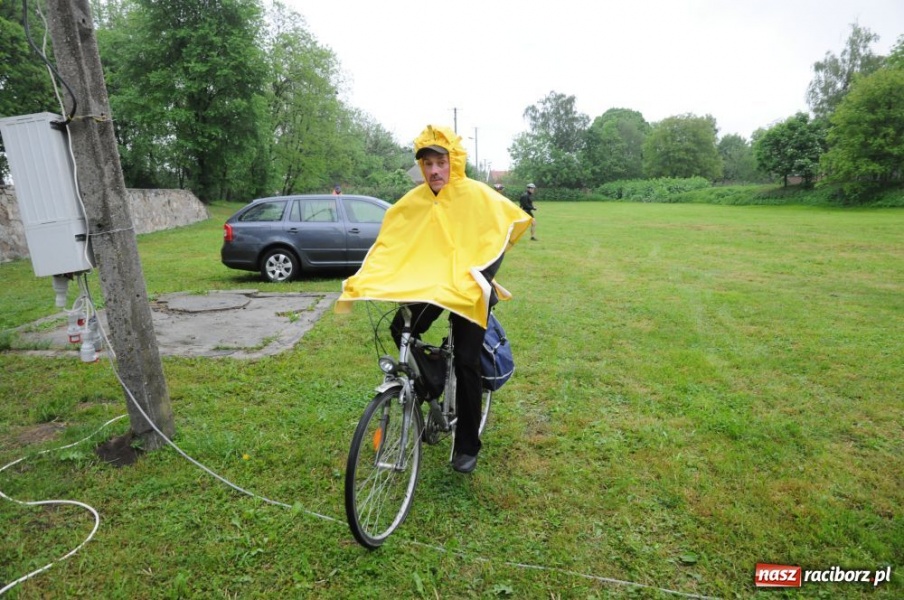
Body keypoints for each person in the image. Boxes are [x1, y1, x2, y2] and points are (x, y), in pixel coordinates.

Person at [335, 125, 532, 474]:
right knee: (401, 330)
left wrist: (480, 277)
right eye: (427, 164)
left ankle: (467, 444)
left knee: (467, 361)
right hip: (431, 286)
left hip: (468, 288)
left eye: (441, 162)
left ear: (454, 162)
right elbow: (392, 247)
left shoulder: (478, 195)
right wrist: (368, 280)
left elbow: (505, 229)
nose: (434, 171)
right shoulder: (411, 204)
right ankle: (432, 380)